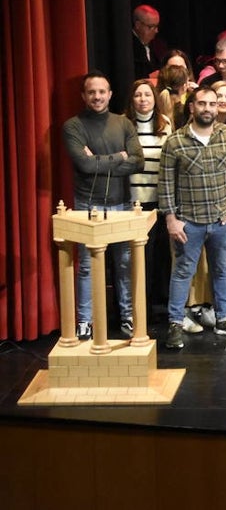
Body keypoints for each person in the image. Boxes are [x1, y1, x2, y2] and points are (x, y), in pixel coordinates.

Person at [159, 85, 226, 349]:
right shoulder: (175, 141)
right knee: (183, 272)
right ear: (192, 107)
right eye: (202, 104)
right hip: (189, 221)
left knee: (222, 270)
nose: (208, 108)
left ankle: (223, 320)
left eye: (212, 104)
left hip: (222, 219)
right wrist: (171, 220)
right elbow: (165, 184)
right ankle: (175, 323)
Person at [63, 72, 144, 340]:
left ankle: (127, 317)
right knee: (86, 265)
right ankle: (85, 320)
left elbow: (138, 161)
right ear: (84, 96)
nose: (97, 97)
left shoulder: (123, 124)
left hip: (121, 203)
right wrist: (119, 157)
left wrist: (99, 161)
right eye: (91, 92)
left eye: (102, 92)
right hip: (88, 204)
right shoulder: (73, 126)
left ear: (110, 94)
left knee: (123, 263)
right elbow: (84, 166)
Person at [125, 78, 173, 318]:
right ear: (131, 99)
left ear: (155, 98)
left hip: (159, 199)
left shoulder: (164, 123)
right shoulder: (124, 125)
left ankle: (158, 303)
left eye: (147, 95)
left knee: (160, 254)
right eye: (138, 95)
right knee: (138, 255)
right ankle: (137, 306)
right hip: (133, 201)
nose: (143, 99)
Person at [131, 5, 167, 80]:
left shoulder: (158, 45)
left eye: (157, 26)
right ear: (138, 25)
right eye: (151, 27)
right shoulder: (129, 47)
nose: (156, 31)